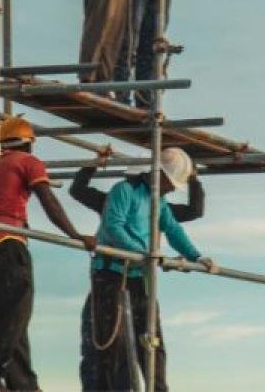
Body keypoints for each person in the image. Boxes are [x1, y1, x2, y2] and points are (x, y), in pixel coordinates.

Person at [0, 116, 96, 391]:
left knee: (7, 321)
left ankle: (23, 384)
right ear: (29, 143)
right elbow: (48, 201)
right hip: (8, 242)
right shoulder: (27, 162)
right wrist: (75, 235)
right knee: (17, 314)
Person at [83, 148, 217, 391]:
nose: (172, 188)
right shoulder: (124, 191)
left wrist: (196, 256)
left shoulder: (159, 202)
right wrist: (143, 254)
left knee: (152, 341)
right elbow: (114, 226)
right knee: (113, 343)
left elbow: (173, 230)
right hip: (112, 275)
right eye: (170, 182)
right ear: (158, 175)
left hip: (139, 276)